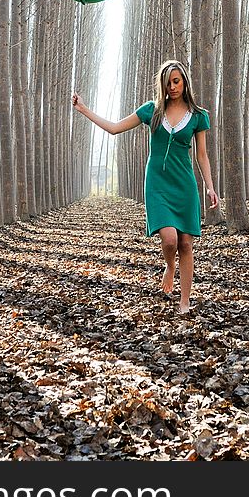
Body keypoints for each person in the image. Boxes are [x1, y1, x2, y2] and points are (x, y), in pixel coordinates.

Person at [72, 59, 219, 314]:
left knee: (186, 243)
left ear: (184, 82)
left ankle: (185, 301)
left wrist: (209, 186)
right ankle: (170, 266)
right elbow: (115, 128)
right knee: (171, 240)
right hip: (157, 184)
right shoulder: (151, 110)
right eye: (168, 82)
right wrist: (84, 109)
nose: (172, 87)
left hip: (184, 184)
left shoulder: (199, 116)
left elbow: (202, 155)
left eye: (176, 81)